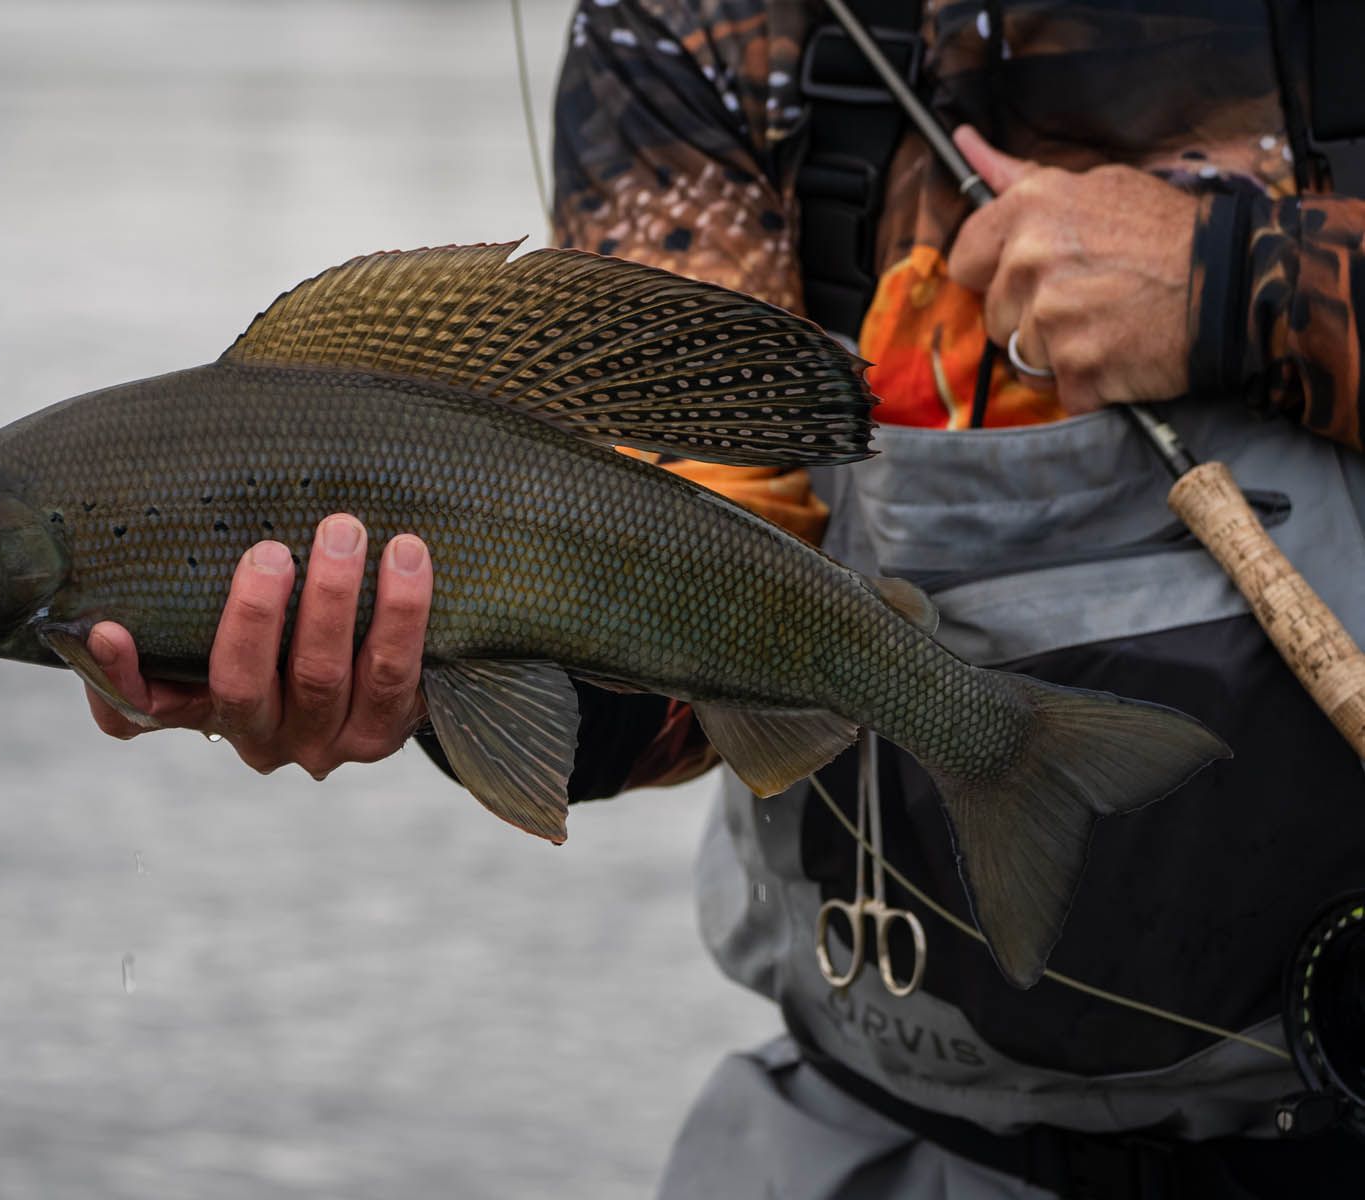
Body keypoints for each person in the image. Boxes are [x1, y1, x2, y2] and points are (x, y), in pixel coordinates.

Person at [85, 1, 1365, 1194]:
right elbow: (686, 649)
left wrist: (1249, 282)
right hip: (895, 1133)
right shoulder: (696, 25)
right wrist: (434, 669)